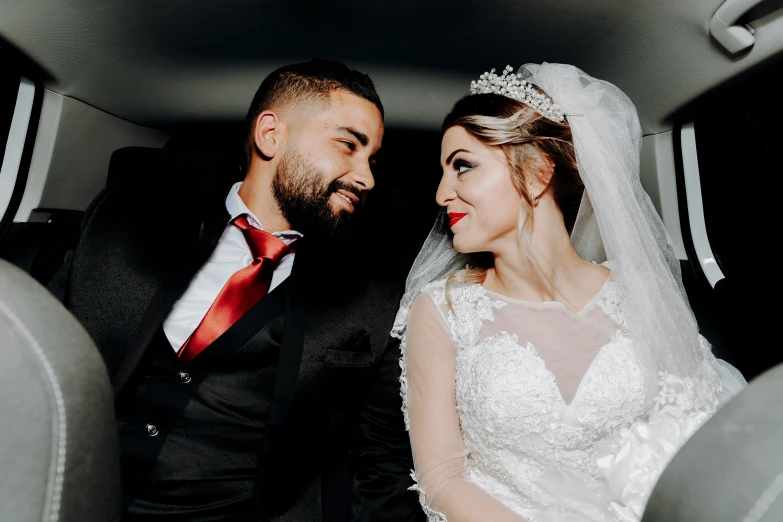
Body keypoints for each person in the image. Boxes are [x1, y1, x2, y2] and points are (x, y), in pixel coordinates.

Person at [48, 59, 423, 521]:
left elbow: (380, 463)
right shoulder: (122, 223)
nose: (365, 177)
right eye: (348, 145)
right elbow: (33, 353)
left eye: (371, 159)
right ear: (270, 135)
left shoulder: (376, 297)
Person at [393, 63, 747, 522]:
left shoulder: (637, 290)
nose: (442, 193)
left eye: (463, 166)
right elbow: (443, 480)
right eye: (444, 172)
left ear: (538, 170)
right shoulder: (442, 310)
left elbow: (699, 422)